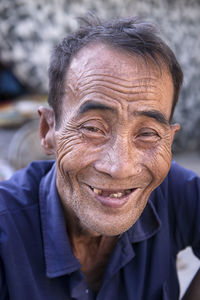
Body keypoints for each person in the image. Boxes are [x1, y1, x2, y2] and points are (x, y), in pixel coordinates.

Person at [0, 15, 199, 300]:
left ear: (169, 141)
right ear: (48, 130)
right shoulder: (6, 229)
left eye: (148, 133)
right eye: (92, 128)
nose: (120, 167)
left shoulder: (173, 191)